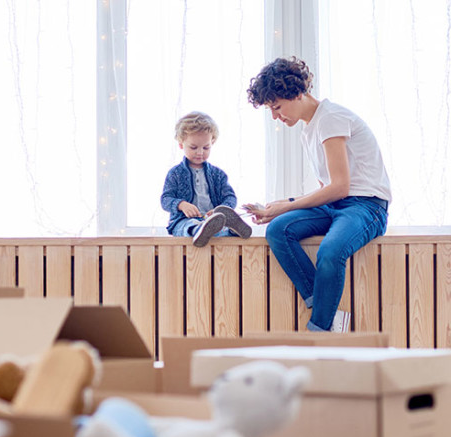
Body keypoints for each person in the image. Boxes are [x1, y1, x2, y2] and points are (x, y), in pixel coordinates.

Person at [244, 57, 391, 332]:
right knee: (278, 230)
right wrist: (282, 206)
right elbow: (330, 189)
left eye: (276, 107)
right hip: (336, 204)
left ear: (297, 93)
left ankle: (319, 333)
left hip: (367, 206)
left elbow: (341, 187)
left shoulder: (330, 118)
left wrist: (287, 206)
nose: (275, 116)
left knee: (331, 251)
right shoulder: (309, 129)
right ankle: (327, 312)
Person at [161, 111, 251, 247]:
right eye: (193, 147)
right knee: (189, 226)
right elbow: (165, 199)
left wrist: (220, 210)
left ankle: (231, 229)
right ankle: (201, 230)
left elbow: (230, 198)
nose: (200, 152)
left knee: (219, 229)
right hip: (183, 220)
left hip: (214, 220)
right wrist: (181, 204)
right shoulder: (175, 173)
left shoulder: (218, 174)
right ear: (181, 144)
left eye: (206, 147)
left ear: (212, 142)